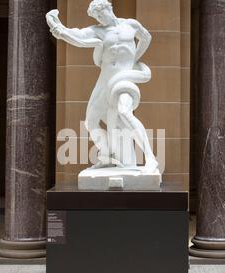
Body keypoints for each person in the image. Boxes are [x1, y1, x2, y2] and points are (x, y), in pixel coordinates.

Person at [46, 0, 158, 173]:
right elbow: (77, 35)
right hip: (104, 81)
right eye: (96, 16)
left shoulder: (131, 24)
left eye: (100, 13)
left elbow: (146, 37)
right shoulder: (97, 31)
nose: (99, 18)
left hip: (123, 80)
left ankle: (150, 158)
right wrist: (59, 28)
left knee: (125, 113)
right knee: (90, 122)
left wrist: (135, 58)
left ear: (108, 8)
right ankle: (106, 156)